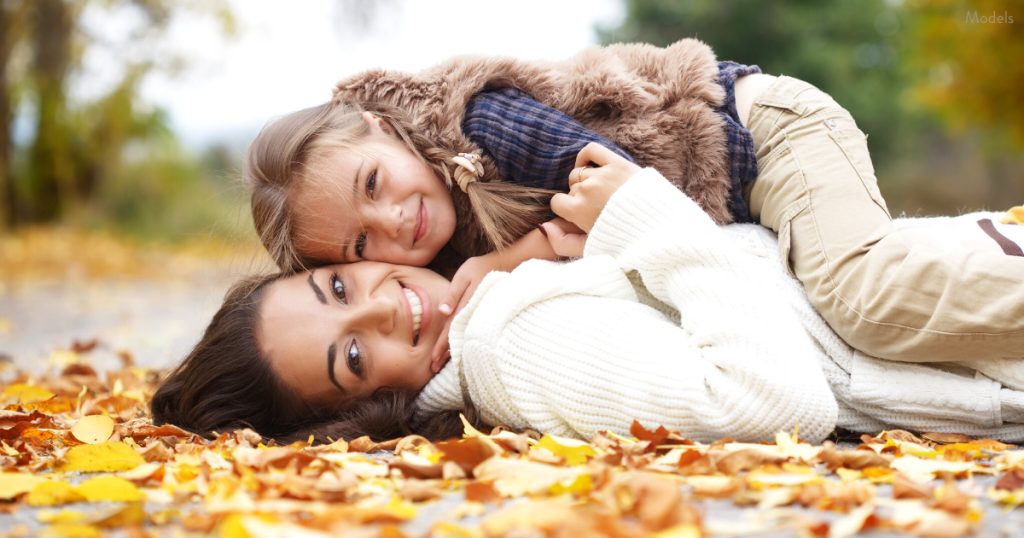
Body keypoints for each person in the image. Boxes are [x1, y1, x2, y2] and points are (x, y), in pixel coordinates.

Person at [153, 146, 1024, 445]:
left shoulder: (490, 298)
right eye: (352, 355)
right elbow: (767, 402)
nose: (386, 305)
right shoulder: (507, 350)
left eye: (338, 286)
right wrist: (644, 212)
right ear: (364, 408)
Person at [247, 39, 1024, 369]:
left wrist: (507, 257)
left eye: (373, 185)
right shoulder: (435, 255)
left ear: (384, 131)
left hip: (761, 132)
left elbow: (618, 190)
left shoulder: (477, 124)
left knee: (865, 298)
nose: (393, 223)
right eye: (359, 247)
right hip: (740, 196)